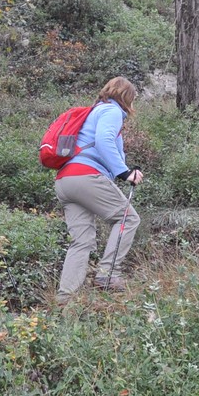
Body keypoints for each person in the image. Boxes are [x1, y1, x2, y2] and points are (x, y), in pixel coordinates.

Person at [54, 76, 143, 299]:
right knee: (128, 219)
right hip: (86, 177)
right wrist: (125, 172)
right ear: (127, 97)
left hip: (65, 181)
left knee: (81, 241)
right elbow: (104, 140)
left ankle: (65, 299)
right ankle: (108, 275)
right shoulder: (112, 111)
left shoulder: (93, 112)